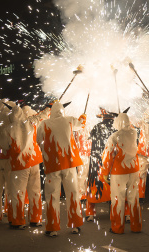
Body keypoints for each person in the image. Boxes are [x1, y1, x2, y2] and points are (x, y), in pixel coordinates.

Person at [36, 101, 86, 237]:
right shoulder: (69, 120)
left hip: (52, 166)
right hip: (69, 164)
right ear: (62, 111)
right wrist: (83, 117)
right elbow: (81, 125)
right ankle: (75, 225)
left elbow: (38, 140)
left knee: (52, 196)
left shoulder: (44, 124)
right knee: (73, 194)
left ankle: (52, 228)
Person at [7, 102, 50, 229]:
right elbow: (43, 115)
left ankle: (18, 221)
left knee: (17, 193)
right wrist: (51, 107)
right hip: (34, 161)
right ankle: (36, 219)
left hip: (19, 164)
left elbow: (4, 146)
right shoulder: (31, 122)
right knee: (35, 191)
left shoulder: (8, 129)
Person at [99, 109, 142, 234]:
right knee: (134, 198)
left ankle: (117, 227)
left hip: (119, 172)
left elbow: (107, 155)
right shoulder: (134, 132)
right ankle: (136, 226)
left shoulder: (115, 136)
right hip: (133, 170)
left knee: (118, 199)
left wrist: (105, 172)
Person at [85, 108, 116, 222]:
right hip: (110, 162)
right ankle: (116, 211)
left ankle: (90, 213)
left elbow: (91, 138)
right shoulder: (116, 129)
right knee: (113, 187)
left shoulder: (97, 127)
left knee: (94, 184)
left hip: (96, 161)